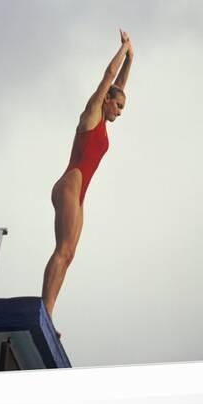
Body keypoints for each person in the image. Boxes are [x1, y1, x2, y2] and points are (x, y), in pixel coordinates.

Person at [41, 29, 134, 330]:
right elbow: (109, 78)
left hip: (80, 194)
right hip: (70, 184)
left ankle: (49, 310)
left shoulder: (105, 117)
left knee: (69, 255)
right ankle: (46, 312)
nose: (120, 112)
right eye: (118, 106)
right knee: (62, 249)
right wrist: (122, 50)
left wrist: (131, 59)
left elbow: (118, 85)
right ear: (105, 101)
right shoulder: (93, 112)